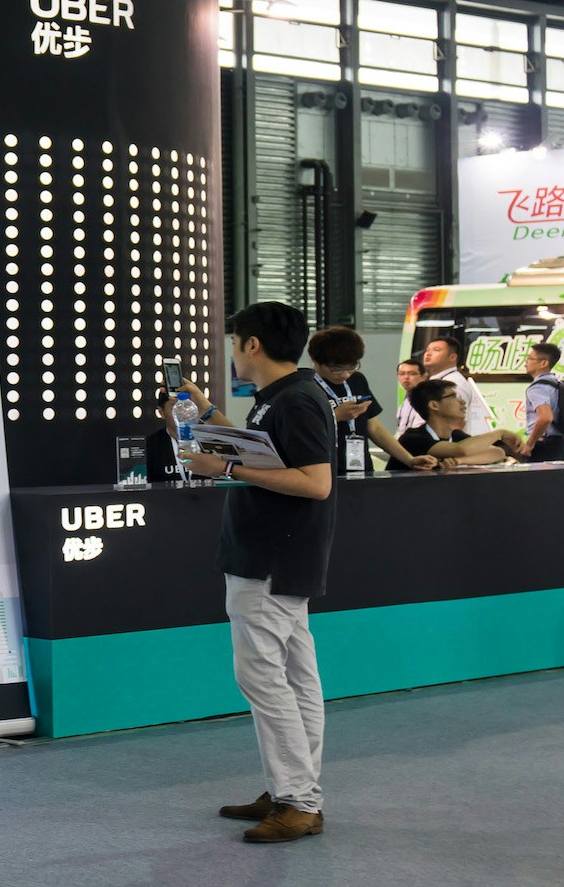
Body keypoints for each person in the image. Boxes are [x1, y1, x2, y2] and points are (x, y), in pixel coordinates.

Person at [179, 301, 334, 844]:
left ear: (252, 344)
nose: (233, 352)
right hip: (274, 557)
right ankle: (292, 788)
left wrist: (225, 467)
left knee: (265, 679)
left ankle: (298, 800)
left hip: (271, 560)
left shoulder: (296, 400)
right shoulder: (283, 397)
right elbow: (264, 456)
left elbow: (316, 483)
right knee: (293, 678)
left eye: (234, 341)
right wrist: (206, 413)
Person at [305, 327, 437, 473]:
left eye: (352, 367)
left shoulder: (357, 380)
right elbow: (300, 428)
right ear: (316, 361)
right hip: (323, 470)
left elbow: (374, 427)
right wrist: (335, 416)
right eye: (336, 369)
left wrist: (409, 459)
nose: (345, 375)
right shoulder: (305, 386)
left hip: (361, 468)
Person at [389, 379, 522, 469]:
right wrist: (500, 433)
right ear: (434, 405)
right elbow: (460, 450)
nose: (462, 402)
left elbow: (497, 453)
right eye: (453, 397)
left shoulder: (456, 435)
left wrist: (459, 461)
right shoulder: (413, 438)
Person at [420, 335, 492, 434]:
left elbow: (457, 421)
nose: (428, 354)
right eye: (427, 350)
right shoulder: (437, 380)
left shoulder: (455, 383)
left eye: (436, 350)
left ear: (452, 357)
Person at [520, 342, 564, 463]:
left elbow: (545, 418)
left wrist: (529, 444)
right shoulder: (559, 384)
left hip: (543, 447)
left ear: (543, 363)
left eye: (530, 358)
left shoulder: (537, 388)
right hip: (563, 445)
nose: (525, 362)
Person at [394, 359, 425, 435]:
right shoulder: (406, 400)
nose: (406, 377)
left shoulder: (426, 400)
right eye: (402, 374)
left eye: (412, 374)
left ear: (423, 377)